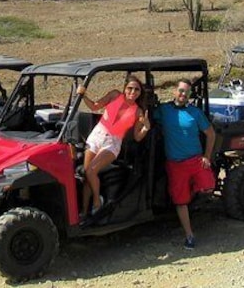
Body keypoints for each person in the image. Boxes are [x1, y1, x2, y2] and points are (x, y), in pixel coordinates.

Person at [153, 78, 216, 250]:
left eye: (186, 92)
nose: (182, 94)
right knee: (180, 201)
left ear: (189, 95)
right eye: (180, 91)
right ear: (175, 91)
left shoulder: (195, 113)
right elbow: (148, 117)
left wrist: (207, 156)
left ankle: (195, 200)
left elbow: (210, 134)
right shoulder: (164, 110)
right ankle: (189, 234)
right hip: (175, 163)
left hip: (195, 160)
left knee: (209, 186)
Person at [77, 75, 150, 218]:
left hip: (113, 142)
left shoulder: (138, 112)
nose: (132, 92)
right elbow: (94, 106)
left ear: (140, 93)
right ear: (125, 88)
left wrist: (146, 128)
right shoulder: (115, 95)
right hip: (97, 135)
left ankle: (97, 202)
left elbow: (137, 136)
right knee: (87, 175)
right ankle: (84, 212)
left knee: (92, 170)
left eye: (136, 90)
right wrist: (82, 95)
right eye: (130, 88)